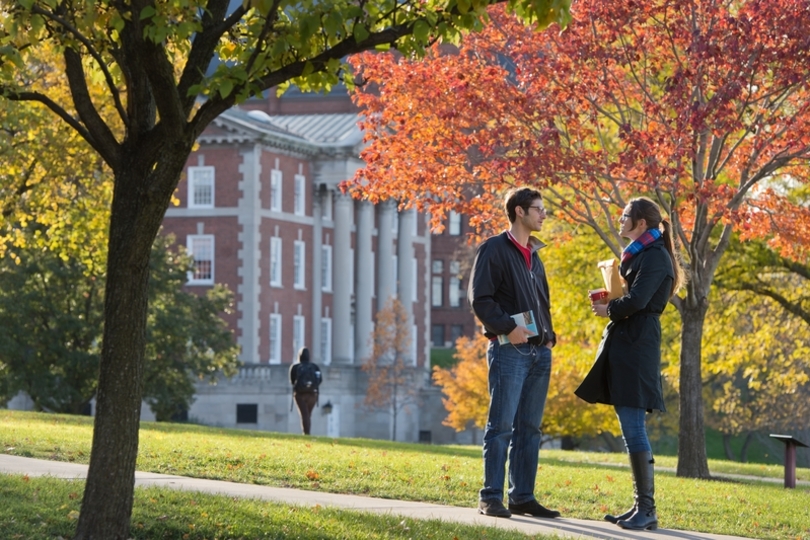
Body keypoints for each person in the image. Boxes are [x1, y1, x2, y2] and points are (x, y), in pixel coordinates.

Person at [575, 196, 686, 531]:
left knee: (634, 426)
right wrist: (610, 297)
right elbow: (633, 295)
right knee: (629, 426)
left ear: (641, 224)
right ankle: (641, 506)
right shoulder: (640, 255)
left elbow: (638, 301)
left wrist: (610, 308)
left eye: (625, 216)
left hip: (638, 345)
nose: (620, 220)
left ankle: (647, 509)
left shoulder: (655, 257)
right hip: (628, 342)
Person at [468, 186, 559, 519]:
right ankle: (490, 496)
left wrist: (549, 337)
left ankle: (522, 496)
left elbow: (543, 303)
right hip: (509, 351)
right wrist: (508, 327)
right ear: (519, 211)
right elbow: (481, 299)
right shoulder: (493, 249)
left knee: (530, 429)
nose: (543, 214)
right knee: (501, 425)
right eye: (538, 208)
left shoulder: (535, 256)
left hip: (539, 352)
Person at [289, 347, 322, 435]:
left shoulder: (295, 367)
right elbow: (320, 379)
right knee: (308, 414)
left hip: (300, 394)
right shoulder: (315, 367)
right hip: (312, 394)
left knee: (304, 414)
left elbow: (292, 381)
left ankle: (306, 433)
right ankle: (307, 432)